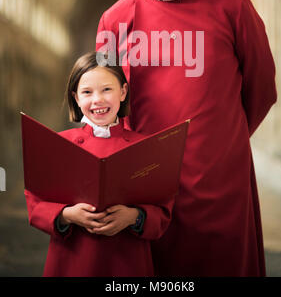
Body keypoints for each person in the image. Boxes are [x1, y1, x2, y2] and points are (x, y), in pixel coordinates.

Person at [95, 0, 277, 276]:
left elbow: (261, 89)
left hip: (220, 185)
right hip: (144, 189)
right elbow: (103, 104)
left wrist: (221, 145)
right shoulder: (113, 20)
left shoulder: (233, 7)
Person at [24, 51, 173, 277]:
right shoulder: (59, 144)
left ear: (123, 92)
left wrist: (134, 216)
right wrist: (66, 215)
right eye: (87, 92)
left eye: (107, 89)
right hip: (73, 259)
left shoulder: (147, 148)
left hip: (127, 261)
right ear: (76, 97)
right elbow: (35, 204)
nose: (98, 100)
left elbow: (163, 211)